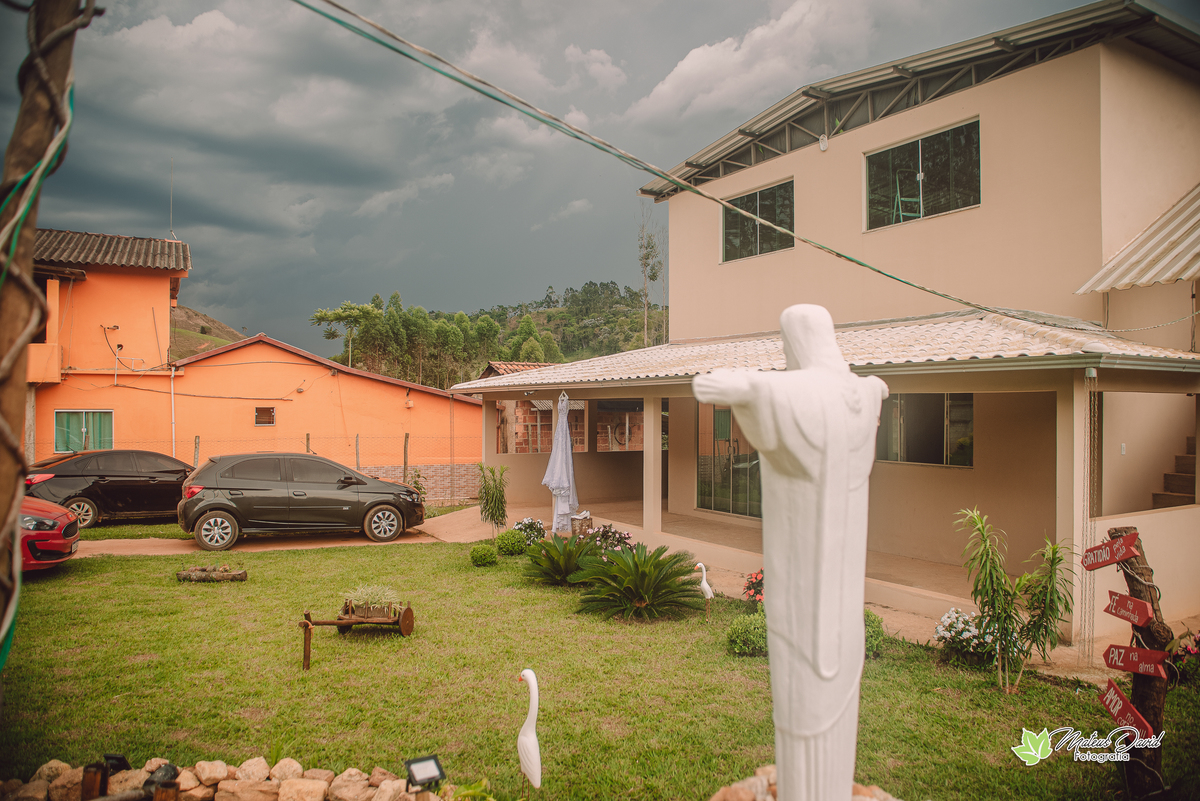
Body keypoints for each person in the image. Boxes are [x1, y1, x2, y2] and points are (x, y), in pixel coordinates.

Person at [693, 304, 887, 801]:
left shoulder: (810, 392)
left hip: (802, 587)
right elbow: (866, 387)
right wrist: (875, 389)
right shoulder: (860, 394)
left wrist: (744, 387)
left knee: (802, 696)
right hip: (842, 596)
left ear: (795, 342)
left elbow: (778, 390)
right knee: (831, 693)